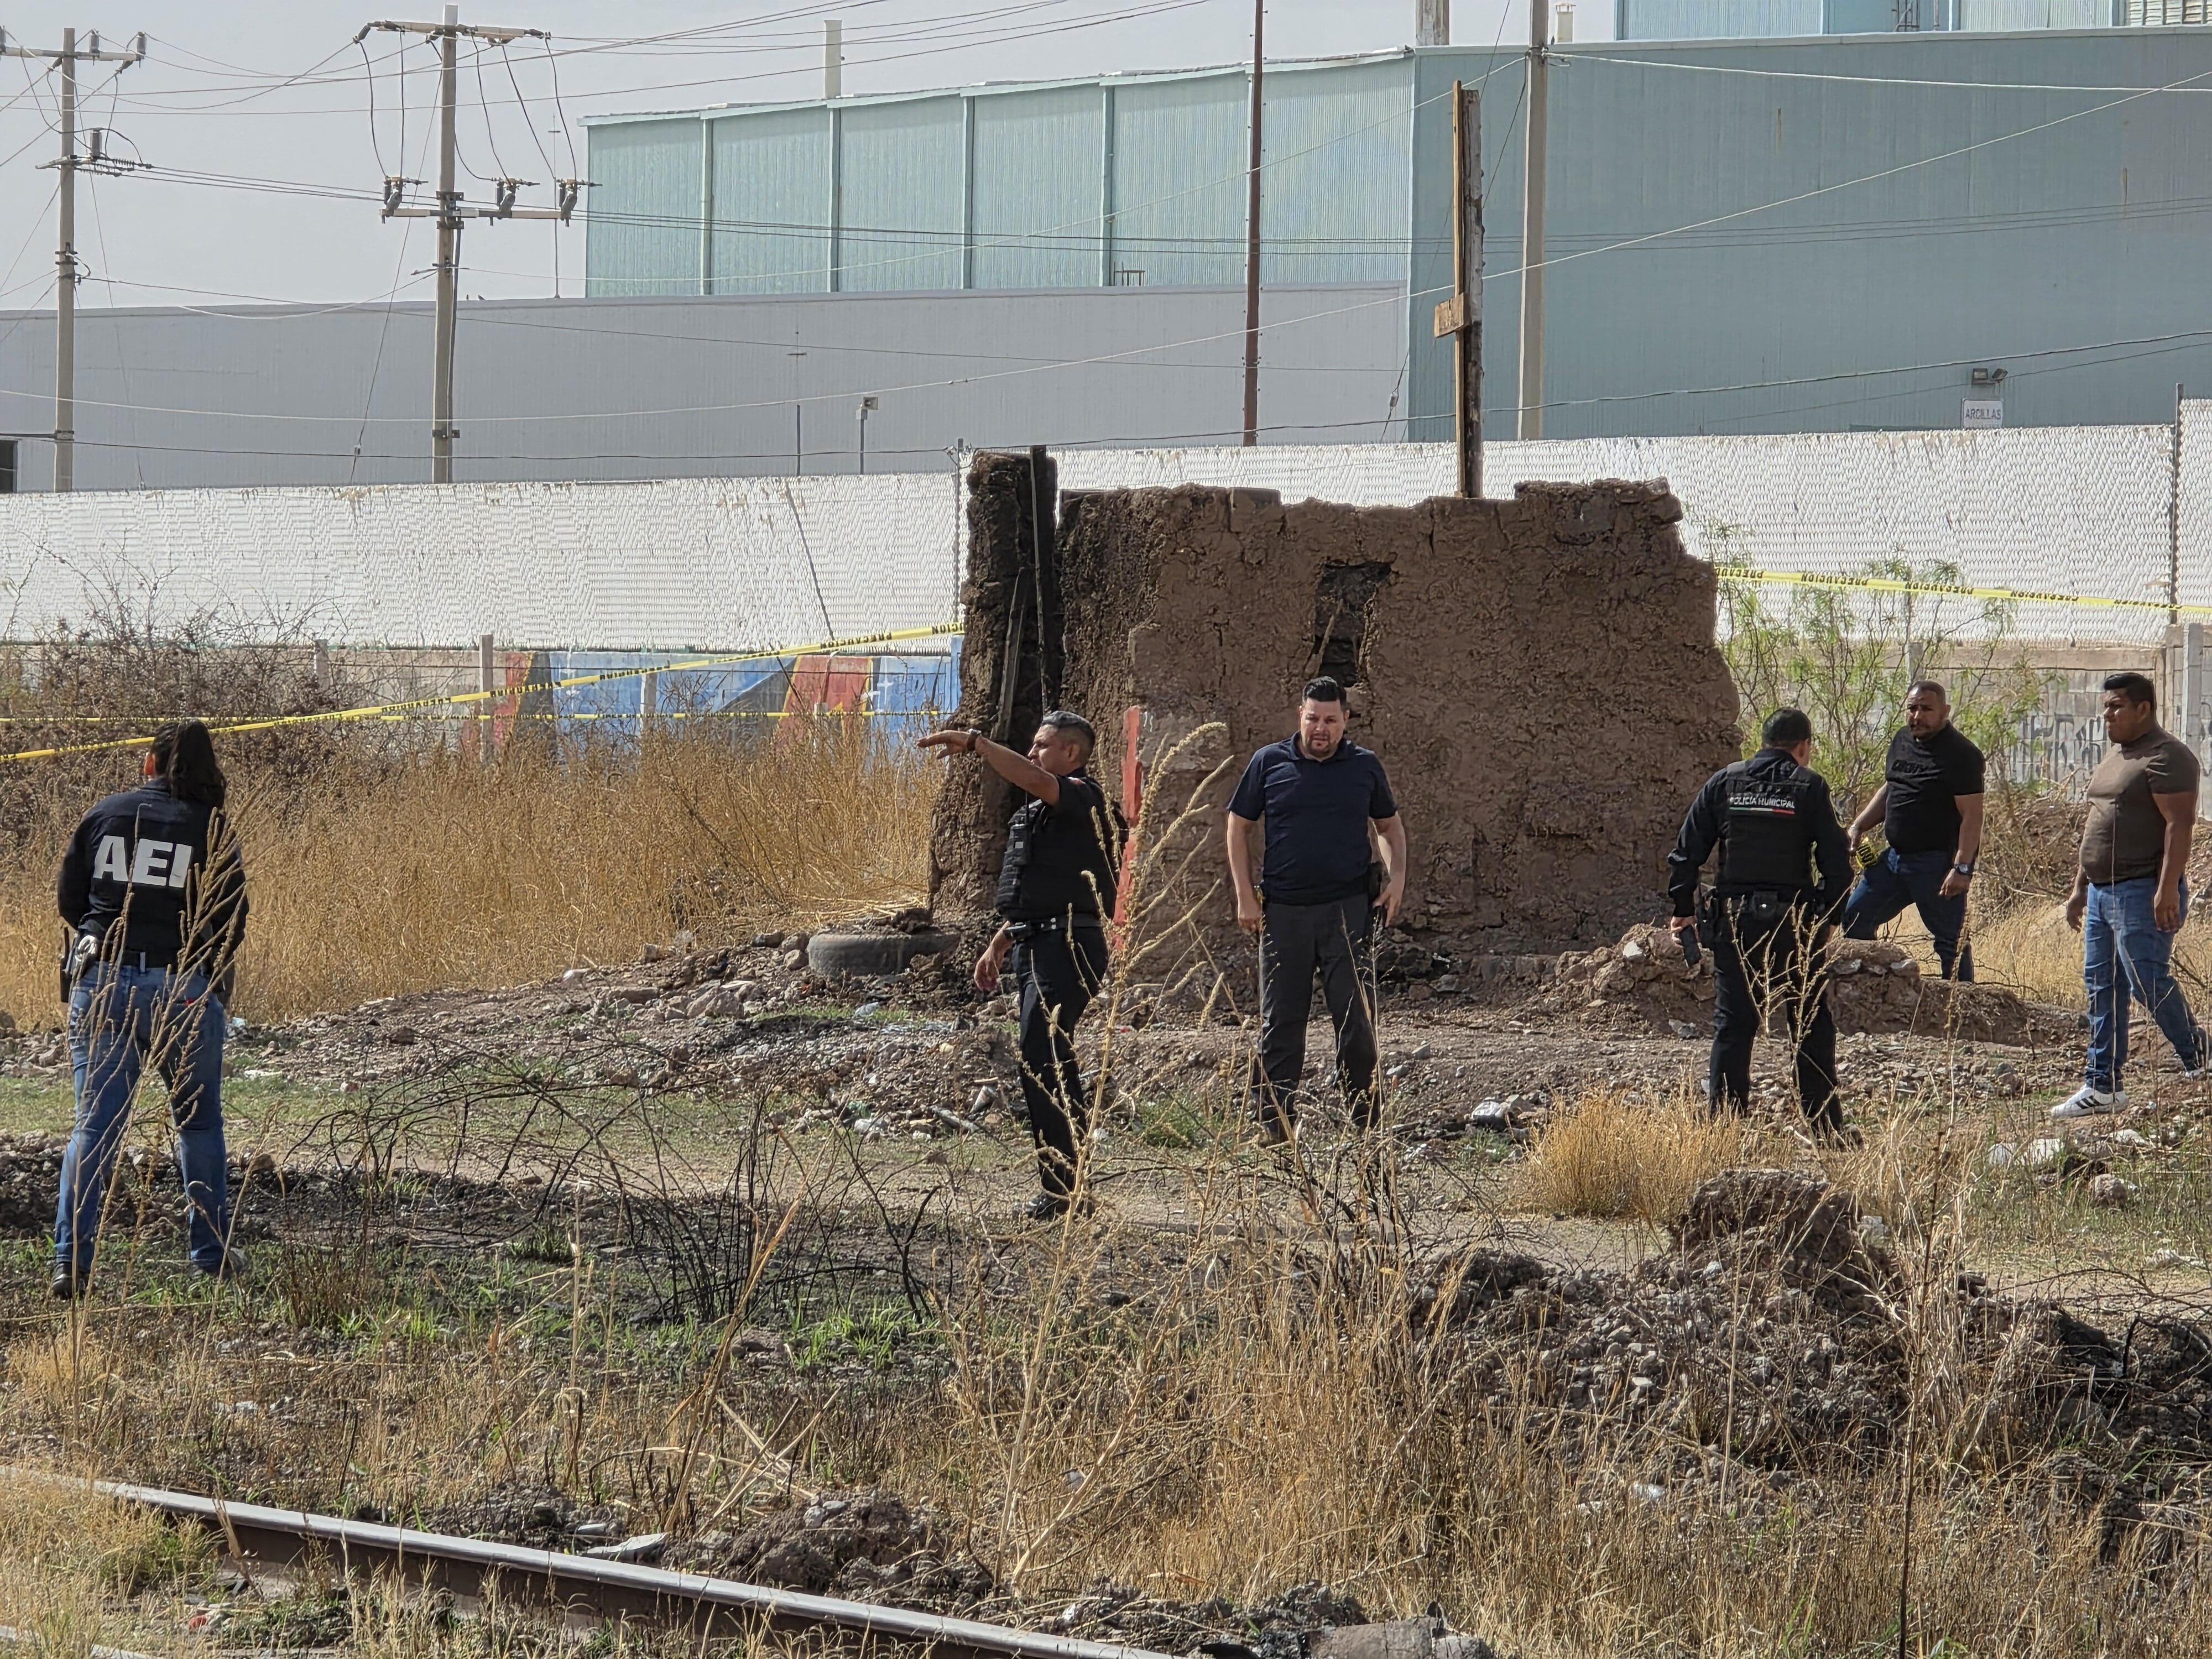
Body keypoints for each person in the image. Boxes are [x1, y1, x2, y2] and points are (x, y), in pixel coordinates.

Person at [52, 720, 251, 1298]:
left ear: (150, 764)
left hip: (103, 979)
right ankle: (209, 1254)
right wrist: (204, 974)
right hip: (184, 988)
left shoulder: (107, 814)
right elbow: (233, 919)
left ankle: (72, 1261)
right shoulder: (212, 827)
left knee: (95, 1128)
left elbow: (72, 898)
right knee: (199, 1122)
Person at [920, 711, 1120, 1219]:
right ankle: (1067, 1184)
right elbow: (1041, 893)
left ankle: (1064, 1191)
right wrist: (1000, 943)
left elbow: (1033, 778)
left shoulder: (1083, 796)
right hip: (1034, 945)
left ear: (1071, 754)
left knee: (1043, 1052)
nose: (1033, 754)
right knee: (1048, 1059)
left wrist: (976, 743)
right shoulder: (1032, 818)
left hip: (1070, 946)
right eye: (1031, 746)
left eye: (1042, 745)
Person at [1225, 676, 1406, 1141]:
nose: (1320, 728)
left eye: (1330, 719)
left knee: (1356, 1019)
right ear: (1299, 716)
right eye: (1312, 718)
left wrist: (1397, 879)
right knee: (1281, 1020)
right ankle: (1273, 1127)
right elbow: (1238, 826)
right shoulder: (1269, 763)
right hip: (1284, 911)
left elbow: (1387, 826)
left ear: (1346, 719)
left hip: (1348, 910)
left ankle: (1365, 1124)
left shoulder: (1364, 767)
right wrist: (1246, 894)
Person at [1667, 707, 1854, 1140]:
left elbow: (1686, 852)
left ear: (1763, 741)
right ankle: (1825, 1127)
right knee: (1808, 1023)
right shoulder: (1810, 787)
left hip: (1736, 922)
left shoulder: (1724, 782)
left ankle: (1725, 1129)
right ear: (1804, 747)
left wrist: (1683, 908)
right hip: (1796, 925)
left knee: (1734, 1025)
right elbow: (1837, 867)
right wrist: (1825, 919)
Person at [2052, 672, 2209, 1119]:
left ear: (2145, 708)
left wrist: (2166, 890)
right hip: (2102, 894)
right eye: (2105, 707)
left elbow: (2180, 825)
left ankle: (2200, 1058)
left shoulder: (2167, 757)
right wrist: (2080, 888)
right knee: (2102, 988)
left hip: (2142, 890)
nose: (2108, 714)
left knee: (2146, 979)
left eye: (2117, 706)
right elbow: (2098, 823)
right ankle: (2103, 1087)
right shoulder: (2118, 757)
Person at [1843, 681, 1985, 980]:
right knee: (1856, 917)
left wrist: (1962, 868)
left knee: (1951, 943)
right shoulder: (1902, 740)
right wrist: (1859, 826)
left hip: (1936, 865)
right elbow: (1892, 788)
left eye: (1926, 709)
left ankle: (1959, 1008)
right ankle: (1876, 988)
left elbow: (1972, 815)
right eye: (1912, 708)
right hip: (1894, 861)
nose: (1918, 716)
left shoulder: (1961, 755)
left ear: (1945, 711)